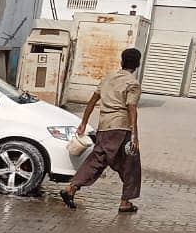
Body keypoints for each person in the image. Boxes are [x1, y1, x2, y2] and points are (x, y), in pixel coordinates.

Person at [60, 48, 144, 213]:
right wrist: (134, 136)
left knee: (96, 161)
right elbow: (131, 109)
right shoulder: (132, 84)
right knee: (131, 165)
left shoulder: (107, 78)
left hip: (104, 128)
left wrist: (83, 122)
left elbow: (92, 101)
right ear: (137, 65)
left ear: (121, 62)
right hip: (121, 130)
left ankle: (71, 188)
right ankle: (125, 202)